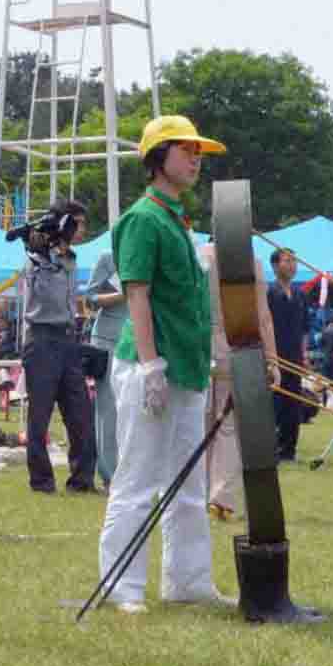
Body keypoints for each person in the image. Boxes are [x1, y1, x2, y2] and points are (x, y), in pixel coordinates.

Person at [93, 115, 231, 613]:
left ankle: (188, 580)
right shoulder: (142, 219)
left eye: (199, 151)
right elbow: (137, 295)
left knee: (188, 484)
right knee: (136, 481)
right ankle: (122, 586)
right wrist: (151, 367)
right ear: (157, 157)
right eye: (185, 149)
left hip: (187, 370)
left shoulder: (177, 220)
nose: (196, 159)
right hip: (150, 368)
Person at [16, 201, 97, 494]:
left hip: (67, 339)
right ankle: (41, 481)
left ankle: (82, 480)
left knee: (80, 414)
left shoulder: (71, 258)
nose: (82, 230)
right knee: (39, 417)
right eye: (78, 223)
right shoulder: (36, 257)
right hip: (41, 339)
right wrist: (41, 254)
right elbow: (41, 295)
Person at [82, 247, 127, 490]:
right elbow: (90, 298)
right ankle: (111, 475)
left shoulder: (154, 255)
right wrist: (124, 294)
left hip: (142, 341)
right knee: (108, 410)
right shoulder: (108, 257)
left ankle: (132, 473)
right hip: (108, 341)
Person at [267, 248, 316, 460]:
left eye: (294, 261)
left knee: (293, 405)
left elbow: (305, 328)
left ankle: (289, 449)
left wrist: (304, 355)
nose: (292, 265)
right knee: (274, 404)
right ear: (276, 265)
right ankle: (271, 449)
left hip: (295, 357)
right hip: (275, 357)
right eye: (287, 261)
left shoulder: (300, 294)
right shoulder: (269, 293)